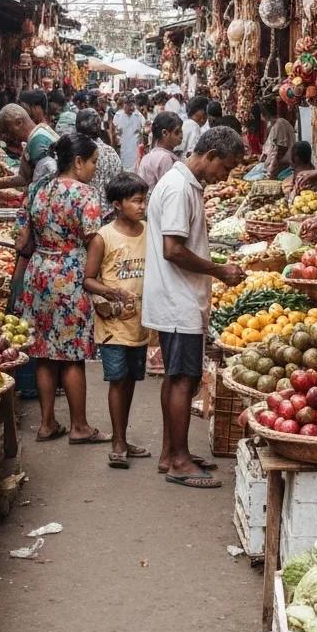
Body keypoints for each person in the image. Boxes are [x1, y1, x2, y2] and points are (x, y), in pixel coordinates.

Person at [143, 126, 245, 488]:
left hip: (175, 297)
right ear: (212, 155)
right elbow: (173, 249)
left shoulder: (181, 184)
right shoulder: (179, 188)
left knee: (176, 377)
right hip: (178, 300)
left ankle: (171, 453)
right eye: (227, 167)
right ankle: (180, 461)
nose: (226, 176)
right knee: (184, 379)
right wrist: (219, 269)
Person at [19, 134, 105, 443]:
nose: (95, 168)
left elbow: (22, 239)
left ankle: (46, 423)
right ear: (78, 161)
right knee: (72, 355)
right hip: (69, 274)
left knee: (43, 351)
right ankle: (79, 427)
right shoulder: (85, 194)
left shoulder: (37, 189)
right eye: (93, 161)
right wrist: (93, 278)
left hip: (39, 271)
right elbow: (93, 237)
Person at [83, 172, 152, 469]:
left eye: (143, 200)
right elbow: (88, 279)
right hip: (112, 325)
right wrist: (112, 291)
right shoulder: (104, 237)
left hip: (140, 322)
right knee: (117, 380)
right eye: (136, 201)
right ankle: (118, 442)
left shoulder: (149, 231)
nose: (142, 206)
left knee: (131, 381)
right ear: (117, 204)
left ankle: (123, 436)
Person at [0, 103, 57, 190]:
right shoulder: (40, 132)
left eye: (8, 131)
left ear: (19, 122)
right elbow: (23, 177)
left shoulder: (37, 141)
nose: (9, 136)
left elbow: (47, 184)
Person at [76, 108, 123, 217]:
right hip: (110, 214)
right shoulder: (111, 152)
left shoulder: (76, 153)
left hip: (86, 214)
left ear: (78, 126)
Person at [248, 99, 296, 180]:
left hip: (281, 169)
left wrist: (271, 171)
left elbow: (280, 150)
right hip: (274, 167)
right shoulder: (274, 125)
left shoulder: (280, 124)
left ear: (263, 114)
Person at [137, 112, 183, 191]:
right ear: (165, 133)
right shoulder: (165, 158)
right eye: (177, 132)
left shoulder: (148, 157)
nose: (181, 136)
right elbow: (170, 189)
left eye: (181, 131)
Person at [112, 94, 144, 171]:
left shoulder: (138, 116)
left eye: (133, 105)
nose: (132, 108)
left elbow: (143, 133)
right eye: (129, 105)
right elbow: (114, 134)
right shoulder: (118, 116)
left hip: (135, 151)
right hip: (123, 150)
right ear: (124, 105)